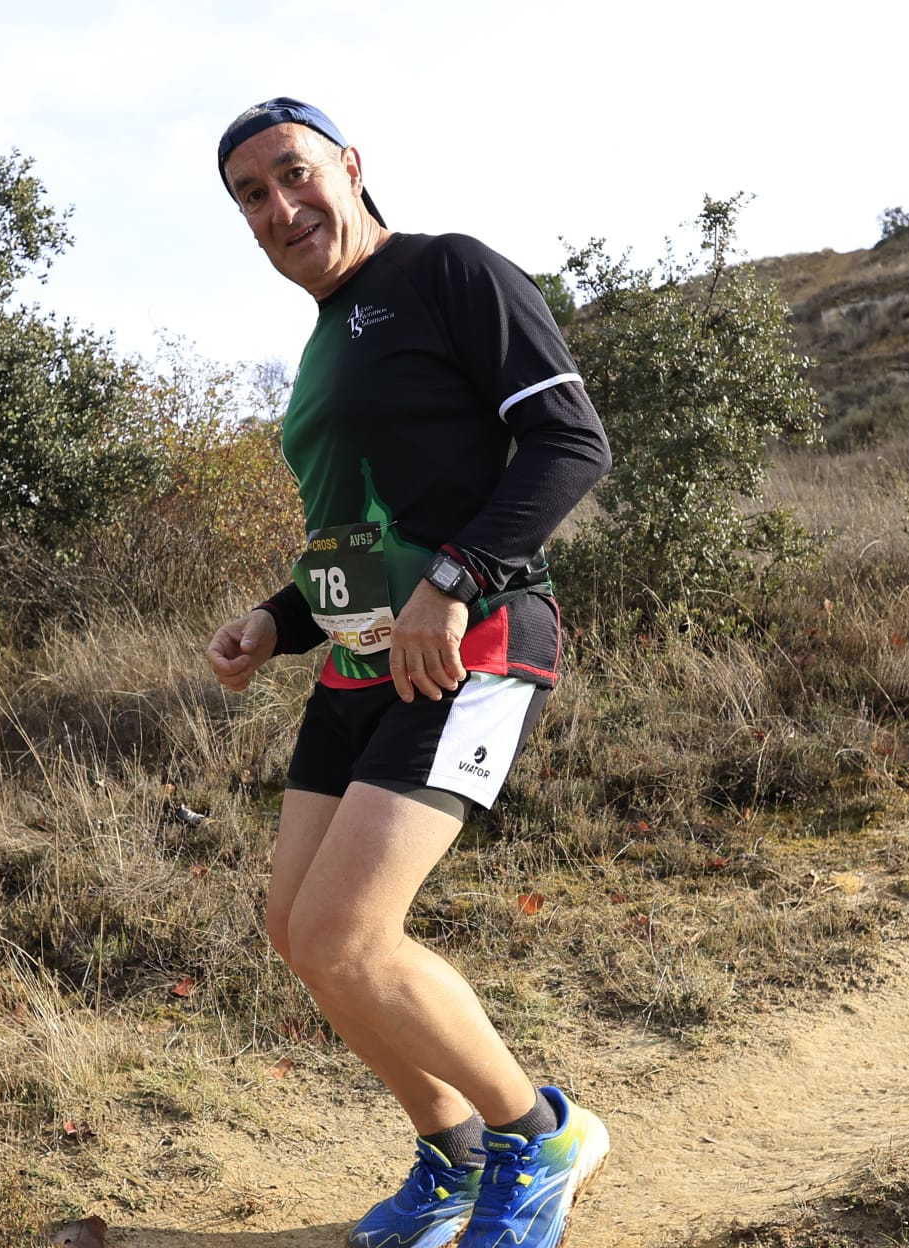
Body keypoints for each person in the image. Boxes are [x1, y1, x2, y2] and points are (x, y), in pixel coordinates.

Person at [205, 98, 613, 1248]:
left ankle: (540, 1137)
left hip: (472, 642)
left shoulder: (450, 273)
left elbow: (573, 442)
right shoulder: (329, 337)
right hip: (357, 664)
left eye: (293, 175)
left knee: (346, 935)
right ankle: (454, 1156)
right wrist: (275, 624)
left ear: (352, 166)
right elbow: (363, 534)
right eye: (251, 197)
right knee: (297, 932)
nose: (280, 208)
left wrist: (457, 576)